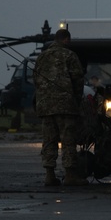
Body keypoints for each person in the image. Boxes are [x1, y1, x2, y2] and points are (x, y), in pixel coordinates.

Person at [33, 28, 87, 186]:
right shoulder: (69, 55)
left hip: (45, 106)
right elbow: (78, 79)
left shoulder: (41, 57)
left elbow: (36, 79)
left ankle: (49, 175)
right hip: (65, 105)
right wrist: (76, 100)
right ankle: (70, 174)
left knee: (49, 140)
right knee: (68, 139)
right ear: (66, 40)